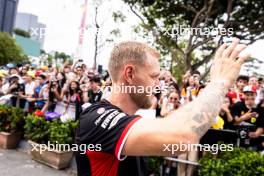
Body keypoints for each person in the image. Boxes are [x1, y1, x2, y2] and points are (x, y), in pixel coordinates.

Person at [75, 38, 250, 176]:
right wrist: (219, 83)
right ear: (129, 74)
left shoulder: (133, 121)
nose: (159, 86)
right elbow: (183, 137)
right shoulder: (96, 118)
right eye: (154, 77)